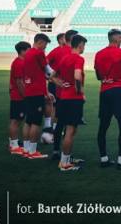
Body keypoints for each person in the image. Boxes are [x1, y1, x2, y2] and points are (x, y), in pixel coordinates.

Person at [94, 29, 121, 170]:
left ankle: (104, 158)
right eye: (120, 37)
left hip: (104, 91)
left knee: (103, 126)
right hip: (118, 91)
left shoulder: (99, 54)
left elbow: (98, 76)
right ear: (116, 39)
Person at [52, 34, 88, 172]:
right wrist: (80, 92)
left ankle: (66, 158)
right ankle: (64, 163)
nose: (84, 48)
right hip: (74, 99)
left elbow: (52, 76)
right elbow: (77, 76)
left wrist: (62, 85)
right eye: (84, 45)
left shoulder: (64, 58)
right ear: (80, 45)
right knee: (70, 131)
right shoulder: (78, 58)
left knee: (69, 130)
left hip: (64, 98)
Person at [22, 33, 54, 159]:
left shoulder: (28, 53)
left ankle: (26, 149)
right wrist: (58, 76)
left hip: (29, 90)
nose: (45, 48)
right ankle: (32, 151)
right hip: (37, 91)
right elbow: (47, 70)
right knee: (35, 122)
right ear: (40, 42)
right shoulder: (38, 53)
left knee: (28, 121)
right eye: (45, 45)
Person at [51, 29, 79, 161]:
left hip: (61, 93)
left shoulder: (57, 51)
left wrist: (55, 80)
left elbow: (46, 66)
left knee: (60, 123)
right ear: (72, 38)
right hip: (71, 95)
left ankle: (57, 151)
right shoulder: (72, 53)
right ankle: (66, 156)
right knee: (70, 128)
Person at [8, 41, 31, 156]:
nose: (30, 52)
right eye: (28, 50)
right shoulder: (19, 63)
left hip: (17, 96)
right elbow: (19, 82)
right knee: (15, 121)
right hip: (19, 97)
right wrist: (25, 96)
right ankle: (14, 145)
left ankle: (14, 143)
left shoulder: (20, 62)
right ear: (22, 51)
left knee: (17, 120)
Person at [44, 33, 67, 135]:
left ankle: (57, 127)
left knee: (61, 105)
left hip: (62, 82)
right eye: (64, 38)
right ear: (60, 40)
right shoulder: (55, 51)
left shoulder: (67, 50)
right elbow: (45, 63)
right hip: (55, 83)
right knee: (55, 106)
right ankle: (54, 127)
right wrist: (50, 76)